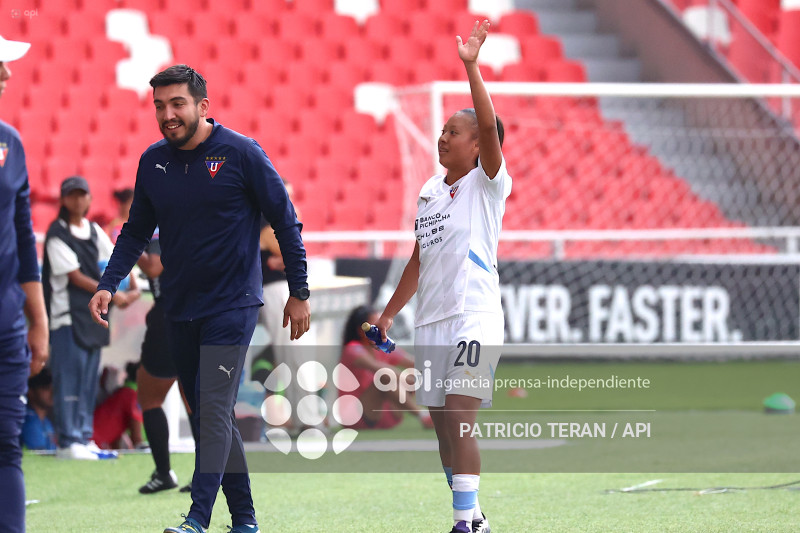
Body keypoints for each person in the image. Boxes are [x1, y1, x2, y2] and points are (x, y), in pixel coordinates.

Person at [89, 65, 310, 533]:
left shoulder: (242, 153)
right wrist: (109, 282)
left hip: (233, 305)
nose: (167, 115)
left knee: (210, 409)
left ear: (202, 106)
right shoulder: (153, 162)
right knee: (213, 413)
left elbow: (286, 222)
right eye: (159, 107)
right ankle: (246, 520)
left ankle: (197, 519)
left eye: (177, 104)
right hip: (178, 307)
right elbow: (134, 232)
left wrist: (298, 291)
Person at [374, 21, 510, 533]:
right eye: (445, 129)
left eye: (454, 131)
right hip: (431, 322)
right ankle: (474, 516)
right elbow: (417, 260)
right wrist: (388, 316)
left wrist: (471, 66)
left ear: (479, 144)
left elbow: (491, 130)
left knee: (459, 416)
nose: (443, 136)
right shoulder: (431, 190)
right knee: (442, 435)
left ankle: (461, 524)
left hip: (473, 316)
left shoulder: (488, 184)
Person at [42, 175, 140, 460]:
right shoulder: (56, 233)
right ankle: (68, 439)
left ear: (89, 198)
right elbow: (73, 276)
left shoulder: (95, 231)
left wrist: (132, 286)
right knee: (68, 379)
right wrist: (112, 294)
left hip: (92, 317)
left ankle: (84, 437)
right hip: (66, 318)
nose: (78, 200)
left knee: (87, 379)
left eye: (82, 194)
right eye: (72, 195)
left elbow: (115, 257)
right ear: (63, 199)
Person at [0, 34, 49, 533]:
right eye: (0, 64)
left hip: (7, 324)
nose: (7, 74)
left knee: (5, 444)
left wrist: (38, 323)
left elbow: (22, 239)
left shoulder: (9, 143)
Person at [135, 227, 195, 494]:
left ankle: (163, 473)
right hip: (199, 311)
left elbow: (154, 267)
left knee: (149, 396)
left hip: (170, 314)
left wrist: (126, 242)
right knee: (194, 398)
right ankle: (207, 473)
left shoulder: (159, 228)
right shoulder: (193, 217)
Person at [339, 305, 433, 430]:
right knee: (385, 376)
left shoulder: (383, 347)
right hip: (357, 417)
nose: (381, 331)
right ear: (362, 331)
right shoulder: (353, 348)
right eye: (375, 327)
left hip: (385, 414)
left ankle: (441, 411)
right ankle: (424, 416)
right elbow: (379, 369)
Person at [92, 361, 143, 449]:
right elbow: (136, 439)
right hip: (95, 442)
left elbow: (117, 432)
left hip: (96, 441)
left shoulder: (125, 392)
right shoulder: (132, 395)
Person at [20, 367, 55, 450]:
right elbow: (38, 451)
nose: (52, 392)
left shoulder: (46, 421)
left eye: (53, 388)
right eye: (46, 388)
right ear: (30, 392)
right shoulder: (28, 418)